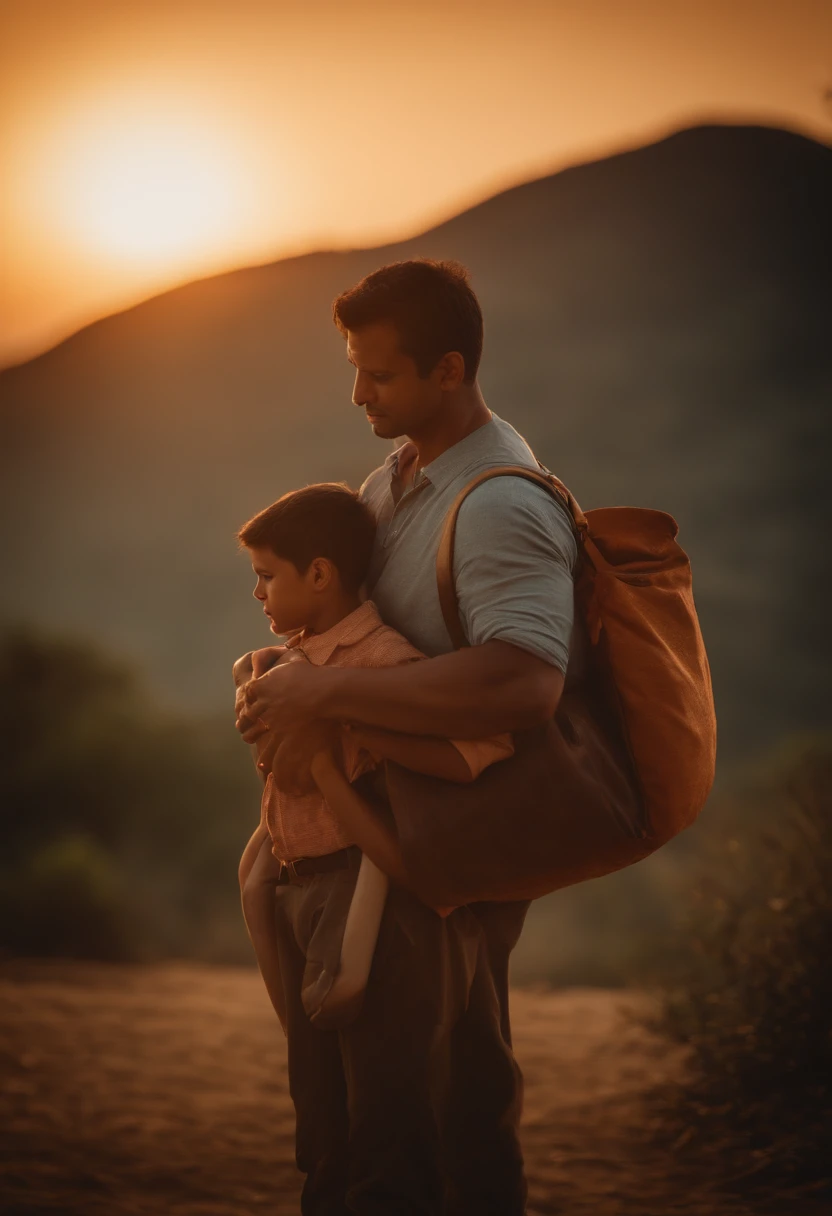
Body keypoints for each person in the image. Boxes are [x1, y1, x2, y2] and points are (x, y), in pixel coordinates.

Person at [237, 260, 578, 1214]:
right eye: (354, 369)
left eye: (378, 376)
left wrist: (328, 698)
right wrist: (284, 680)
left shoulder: (503, 502)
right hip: (374, 839)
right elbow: (357, 629)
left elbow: (527, 680)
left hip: (434, 851)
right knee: (397, 1112)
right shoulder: (396, 480)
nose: (358, 395)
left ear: (450, 369)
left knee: (411, 1126)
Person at [234, 482, 513, 1037]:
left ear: (319, 575)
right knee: (316, 1099)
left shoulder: (382, 661)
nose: (258, 592)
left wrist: (337, 728)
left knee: (382, 1096)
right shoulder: (296, 658)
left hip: (365, 895)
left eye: (267, 576)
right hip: (299, 886)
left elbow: (479, 748)